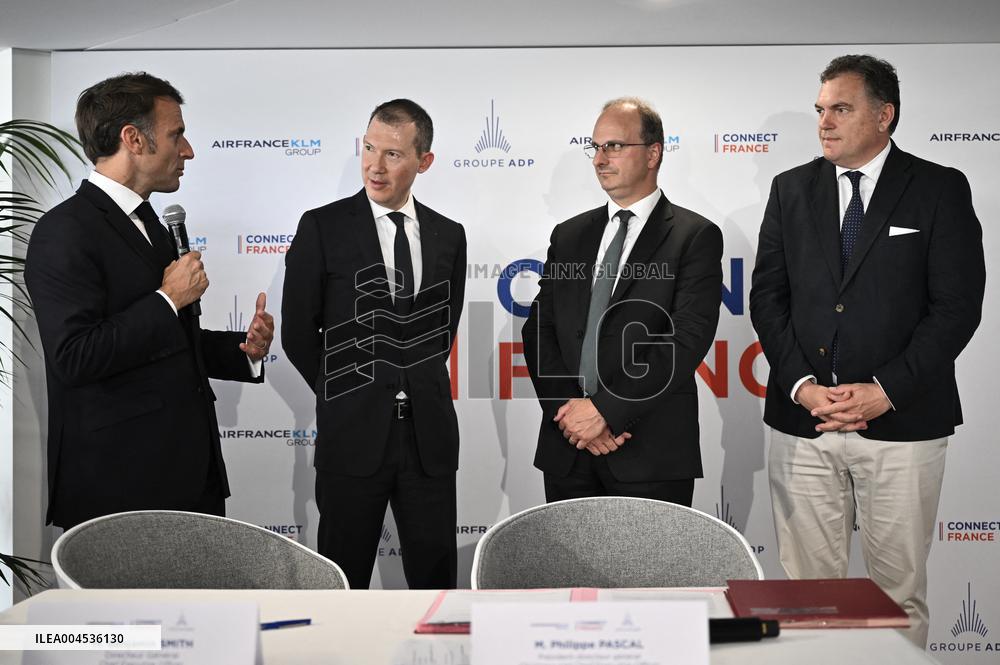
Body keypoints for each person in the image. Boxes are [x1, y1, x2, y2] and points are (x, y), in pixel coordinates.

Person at [749, 55, 985, 647]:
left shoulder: (939, 188)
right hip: (804, 422)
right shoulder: (790, 190)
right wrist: (803, 385)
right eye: (821, 110)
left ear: (885, 115)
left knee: (897, 597)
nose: (825, 122)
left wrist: (884, 392)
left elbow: (956, 308)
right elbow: (768, 299)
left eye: (842, 109)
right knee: (806, 597)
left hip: (904, 423)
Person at [24, 72, 274, 530]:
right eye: (176, 134)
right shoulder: (64, 231)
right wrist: (167, 298)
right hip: (118, 489)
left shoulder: (152, 223)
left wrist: (244, 353)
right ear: (133, 139)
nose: (188, 150)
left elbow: (171, 341)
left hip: (187, 478)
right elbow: (74, 356)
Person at [282, 99, 466, 590]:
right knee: (342, 580)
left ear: (423, 162)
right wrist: (343, 391)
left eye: (392, 154)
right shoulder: (322, 227)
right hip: (351, 436)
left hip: (429, 441)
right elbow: (300, 330)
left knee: (435, 583)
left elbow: (442, 332)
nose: (373, 165)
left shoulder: (450, 236)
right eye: (368, 148)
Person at [522, 97, 723, 506]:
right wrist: (571, 414)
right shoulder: (569, 235)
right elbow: (539, 329)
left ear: (653, 153)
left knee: (653, 573)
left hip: (650, 452)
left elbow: (685, 340)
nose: (599, 159)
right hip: (569, 450)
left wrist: (606, 412)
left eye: (614, 146)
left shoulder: (694, 236)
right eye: (595, 147)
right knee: (564, 573)